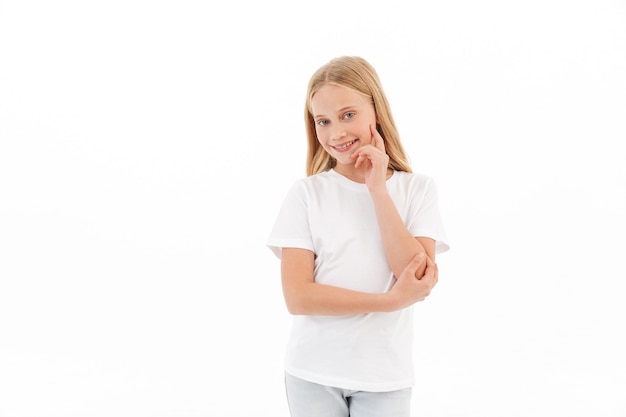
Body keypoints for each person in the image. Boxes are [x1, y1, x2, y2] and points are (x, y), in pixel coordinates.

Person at [266, 56, 450, 417]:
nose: (336, 133)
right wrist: (389, 302)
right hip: (312, 373)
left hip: (385, 378)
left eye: (348, 115)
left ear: (376, 112)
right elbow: (298, 296)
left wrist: (378, 191)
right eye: (324, 121)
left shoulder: (418, 191)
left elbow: (414, 276)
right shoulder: (306, 194)